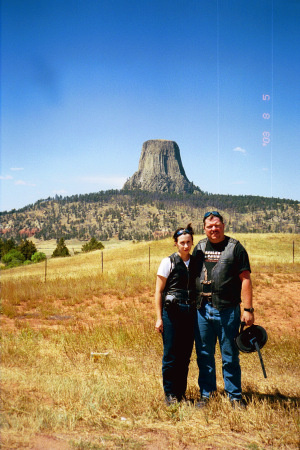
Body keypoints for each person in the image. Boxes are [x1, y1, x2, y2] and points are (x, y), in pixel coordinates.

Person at [193, 211, 254, 407]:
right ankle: (206, 394)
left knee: (230, 356)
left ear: (223, 226)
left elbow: (245, 279)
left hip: (228, 311)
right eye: (210, 226)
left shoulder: (235, 248)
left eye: (217, 225)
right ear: (204, 228)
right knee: (204, 354)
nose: (214, 229)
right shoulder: (200, 247)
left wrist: (248, 310)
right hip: (202, 309)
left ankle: (234, 397)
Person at [155, 224, 197, 405]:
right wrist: (159, 318)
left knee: (185, 356)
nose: (186, 246)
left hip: (190, 315)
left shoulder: (196, 263)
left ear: (192, 242)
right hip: (171, 315)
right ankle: (170, 395)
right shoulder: (168, 262)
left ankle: (181, 394)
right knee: (171, 355)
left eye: (188, 242)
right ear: (175, 243)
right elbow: (158, 291)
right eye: (182, 243)